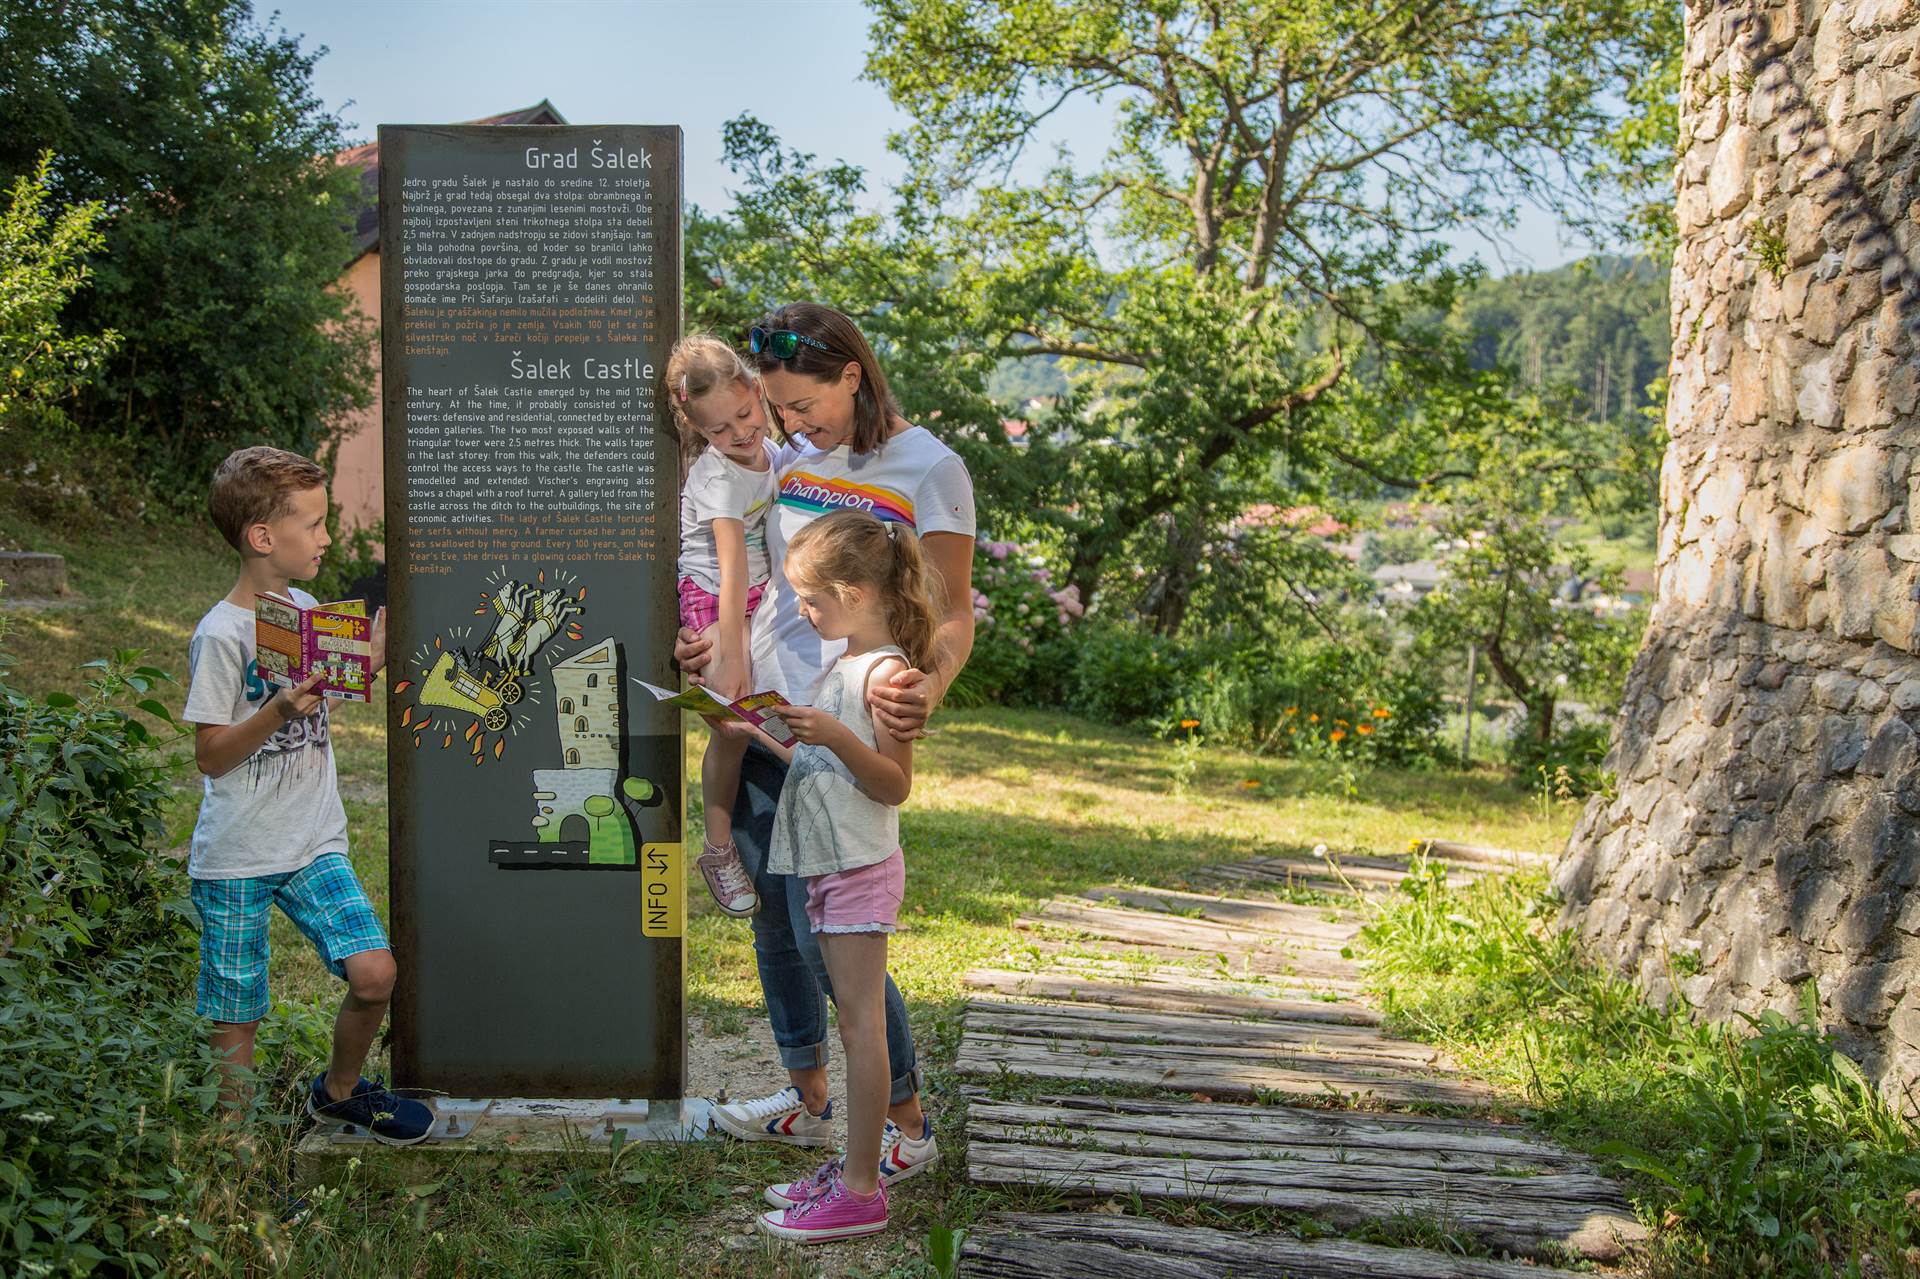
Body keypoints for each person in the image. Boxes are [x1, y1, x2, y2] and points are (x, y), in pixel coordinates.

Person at [685, 304, 976, 1198]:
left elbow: (954, 609)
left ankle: (906, 1122)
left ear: (852, 374)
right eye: (779, 410)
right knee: (775, 916)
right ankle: (807, 1092)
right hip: (772, 716)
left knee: (834, 937)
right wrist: (710, 649)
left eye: (804, 405)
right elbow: (768, 580)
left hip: (849, 725)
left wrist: (926, 684)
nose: (791, 426)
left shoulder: (930, 467)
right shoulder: (787, 460)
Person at [182, 445, 431, 1144]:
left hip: (311, 841)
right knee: (239, 1011)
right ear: (263, 537)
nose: (326, 538)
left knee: (375, 972)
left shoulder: (303, 608)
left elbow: (322, 705)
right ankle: (235, 1156)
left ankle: (338, 1092)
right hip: (237, 855)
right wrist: (277, 712)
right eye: (315, 524)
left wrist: (370, 665)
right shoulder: (221, 633)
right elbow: (210, 754)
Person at [737, 510, 939, 1241]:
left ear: (855, 592)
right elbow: (825, 769)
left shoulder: (886, 672)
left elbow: (892, 783)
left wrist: (839, 735)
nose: (802, 611)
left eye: (812, 599)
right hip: (829, 862)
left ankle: (860, 1190)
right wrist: (759, 734)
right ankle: (851, 1169)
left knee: (860, 1029)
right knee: (854, 1024)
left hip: (858, 868)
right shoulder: (845, 664)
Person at [667, 335, 780, 917]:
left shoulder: (773, 455)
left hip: (762, 595)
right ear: (697, 431)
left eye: (745, 414)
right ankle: (716, 849)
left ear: (757, 392)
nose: (739, 433)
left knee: (766, 712)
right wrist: (731, 654)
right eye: (718, 430)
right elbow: (731, 566)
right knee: (733, 727)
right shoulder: (717, 478)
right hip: (714, 597)